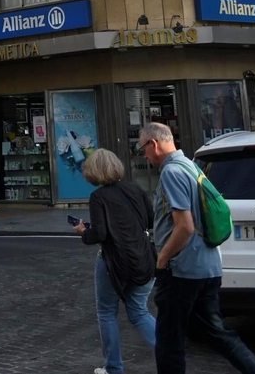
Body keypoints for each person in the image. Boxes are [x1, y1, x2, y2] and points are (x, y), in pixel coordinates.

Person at [140, 122, 255, 374]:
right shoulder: (191, 166)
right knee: (217, 332)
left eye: (142, 148)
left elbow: (185, 226)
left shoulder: (171, 172)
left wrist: (162, 259)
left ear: (153, 144)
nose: (143, 154)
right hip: (207, 266)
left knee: (169, 340)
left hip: (182, 270)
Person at [74, 148, 155, 374]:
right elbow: (150, 219)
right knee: (139, 312)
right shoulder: (135, 188)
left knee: (107, 312)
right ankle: (170, 357)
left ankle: (114, 368)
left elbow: (99, 234)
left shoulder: (98, 197)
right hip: (142, 258)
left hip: (113, 261)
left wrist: (82, 231)